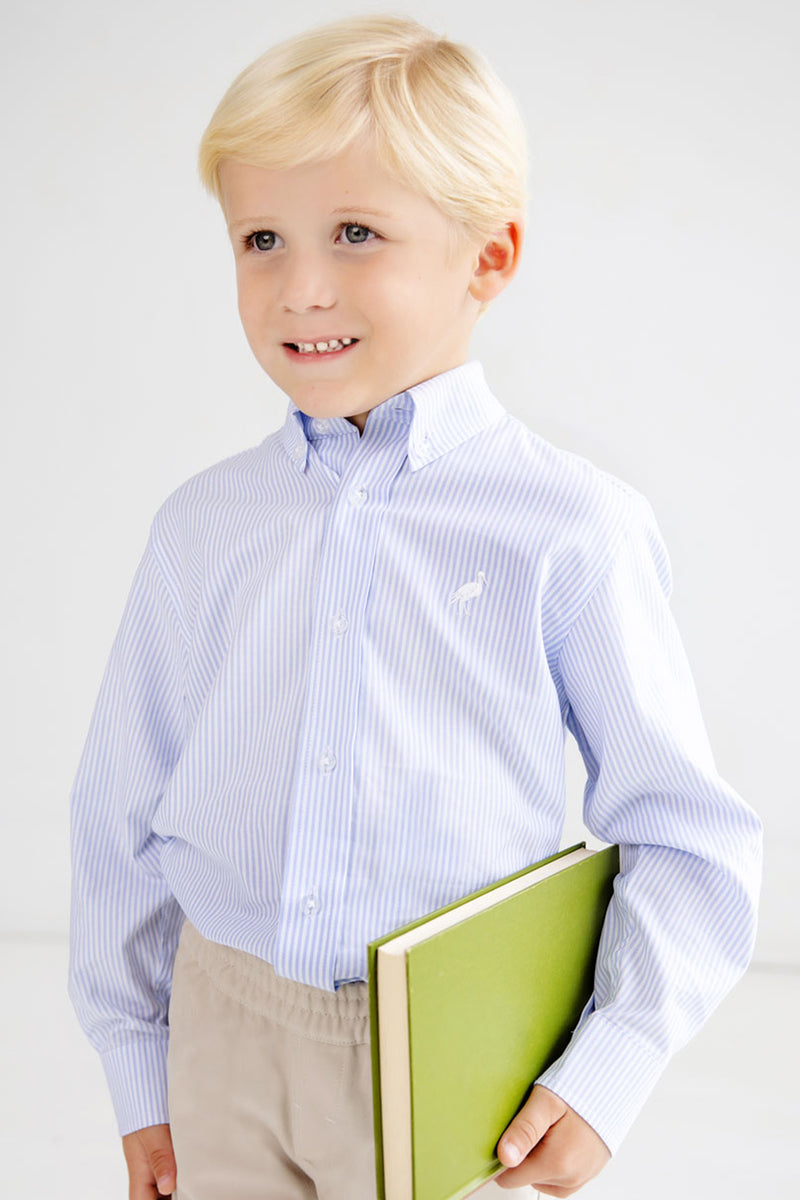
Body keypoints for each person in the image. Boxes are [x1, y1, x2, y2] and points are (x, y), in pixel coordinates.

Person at [67, 13, 762, 1200]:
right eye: (260, 239)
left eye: (355, 233)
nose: (299, 288)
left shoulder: (569, 528)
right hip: (221, 1029)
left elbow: (684, 832)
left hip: (456, 1057)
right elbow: (119, 808)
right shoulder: (202, 524)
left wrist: (609, 1069)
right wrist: (139, 1067)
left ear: (487, 258)